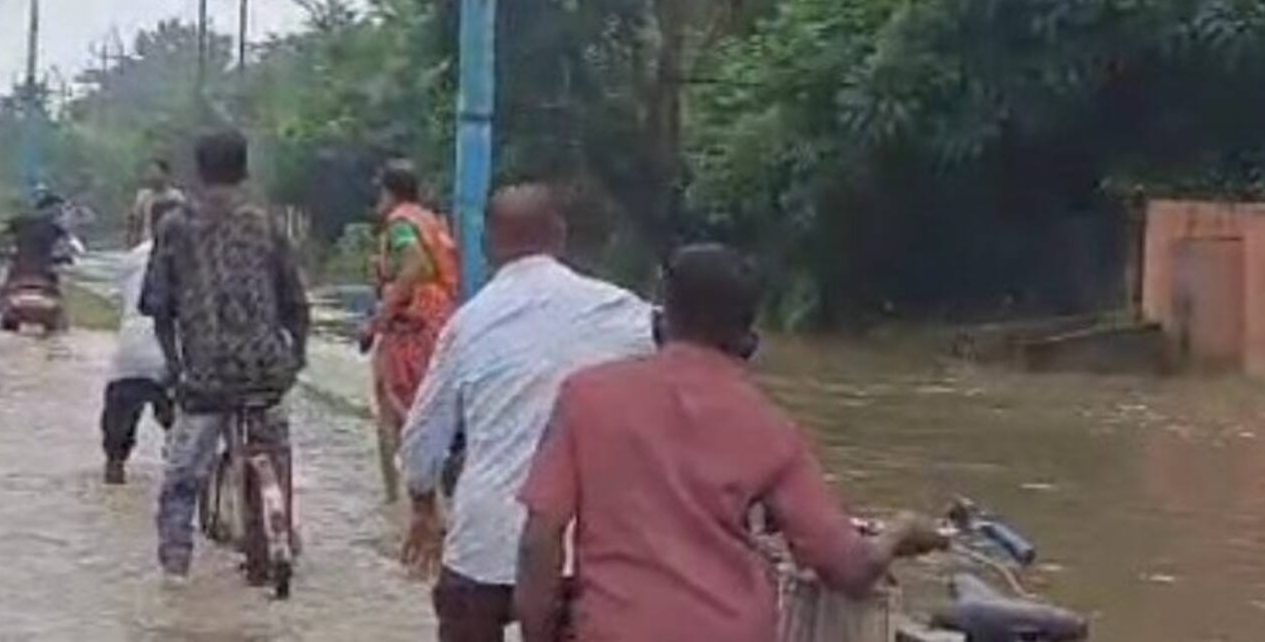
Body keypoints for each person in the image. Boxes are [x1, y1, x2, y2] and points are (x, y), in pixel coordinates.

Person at [515, 243, 948, 642]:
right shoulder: (772, 429)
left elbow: (540, 538)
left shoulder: (585, 397)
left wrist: (537, 633)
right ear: (749, 341)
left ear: (660, 320)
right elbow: (849, 569)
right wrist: (902, 531)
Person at [398, 185, 655, 642]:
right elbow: (697, 348)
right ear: (560, 235)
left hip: (483, 545)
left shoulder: (468, 324)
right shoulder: (618, 310)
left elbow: (422, 436)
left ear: (486, 245)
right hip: (580, 552)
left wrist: (422, 503)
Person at [139, 127, 311, 582]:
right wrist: (297, 359)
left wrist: (175, 368)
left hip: (205, 377)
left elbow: (158, 308)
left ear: (198, 171)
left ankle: (175, 566)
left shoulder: (175, 226)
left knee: (181, 479)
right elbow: (296, 302)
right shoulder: (268, 223)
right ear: (244, 170)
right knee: (275, 453)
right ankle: (277, 536)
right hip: (267, 372)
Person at [363, 160, 461, 503]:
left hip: (410, 328)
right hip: (440, 321)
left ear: (388, 192)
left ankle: (397, 502)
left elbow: (413, 265)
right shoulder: (432, 221)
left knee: (393, 411)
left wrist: (378, 318)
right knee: (429, 405)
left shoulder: (401, 223)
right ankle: (430, 490)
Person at [101, 191, 185, 486]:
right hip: (175, 357)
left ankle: (115, 468)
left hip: (130, 354)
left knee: (116, 439)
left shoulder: (133, 257)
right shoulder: (193, 257)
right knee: (184, 437)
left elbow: (119, 300)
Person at [127, 157, 182, 248]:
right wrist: (132, 241)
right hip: (147, 243)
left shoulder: (176, 197)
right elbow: (135, 222)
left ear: (166, 175)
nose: (152, 176)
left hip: (170, 244)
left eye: (155, 173)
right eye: (150, 173)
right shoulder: (143, 196)